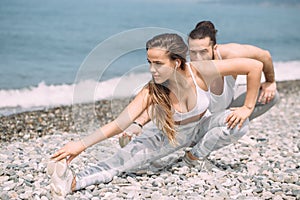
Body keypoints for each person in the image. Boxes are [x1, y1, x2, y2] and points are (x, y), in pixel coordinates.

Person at [47, 33, 263, 197]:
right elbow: (119, 122)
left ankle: (194, 157)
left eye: (158, 63)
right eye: (150, 62)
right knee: (120, 164)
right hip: (167, 139)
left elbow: (254, 66)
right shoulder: (152, 90)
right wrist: (81, 145)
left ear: (176, 62)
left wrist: (247, 108)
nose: (152, 69)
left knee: (240, 124)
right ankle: (73, 181)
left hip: (202, 127)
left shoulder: (200, 71)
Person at [119, 20, 279, 147]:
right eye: (193, 52)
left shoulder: (231, 54)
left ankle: (233, 124)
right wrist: (137, 123)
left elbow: (264, 56)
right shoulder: (187, 69)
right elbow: (161, 98)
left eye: (203, 52)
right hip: (203, 114)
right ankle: (208, 135)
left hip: (227, 100)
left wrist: (269, 83)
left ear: (214, 48)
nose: (198, 58)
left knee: (272, 96)